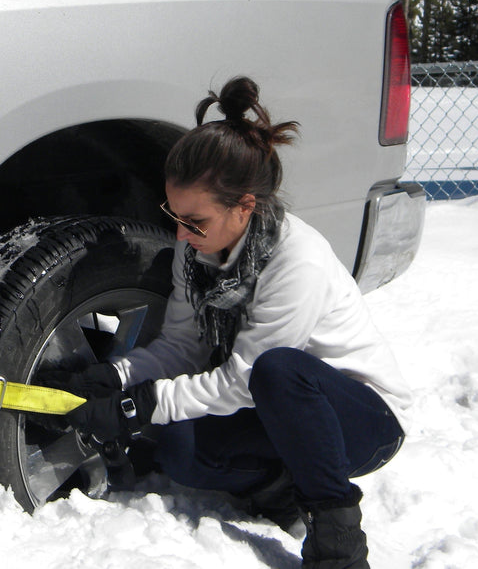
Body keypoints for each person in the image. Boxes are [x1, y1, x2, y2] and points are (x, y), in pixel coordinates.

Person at [57, 76, 411, 569]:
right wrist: (119, 376)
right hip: (271, 405)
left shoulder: (297, 261)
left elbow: (246, 378)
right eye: (174, 214)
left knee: (278, 370)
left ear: (245, 206)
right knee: (179, 448)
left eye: (195, 221)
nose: (180, 232)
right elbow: (183, 345)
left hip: (359, 420)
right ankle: (278, 488)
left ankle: (338, 537)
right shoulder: (195, 247)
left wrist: (140, 406)